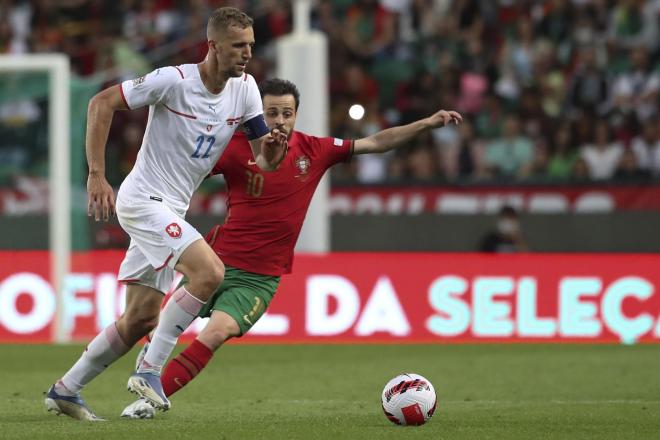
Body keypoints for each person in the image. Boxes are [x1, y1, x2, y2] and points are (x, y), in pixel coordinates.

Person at [121, 78, 462, 418]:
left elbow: (375, 142)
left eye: (287, 113)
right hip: (213, 261)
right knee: (163, 324)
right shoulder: (235, 147)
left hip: (259, 278)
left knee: (217, 332)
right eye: (271, 113)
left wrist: (426, 124)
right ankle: (136, 374)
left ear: (296, 114)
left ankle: (147, 403)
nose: (279, 120)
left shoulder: (316, 149)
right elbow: (182, 172)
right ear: (257, 114)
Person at [45, 7, 287, 421]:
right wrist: (97, 174)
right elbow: (101, 103)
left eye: (250, 45)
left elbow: (264, 160)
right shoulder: (172, 81)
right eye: (237, 46)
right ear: (213, 46)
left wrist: (274, 148)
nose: (247, 53)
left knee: (140, 318)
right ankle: (149, 370)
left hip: (172, 208)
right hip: (142, 200)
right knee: (209, 273)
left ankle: (66, 389)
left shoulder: (246, 89)